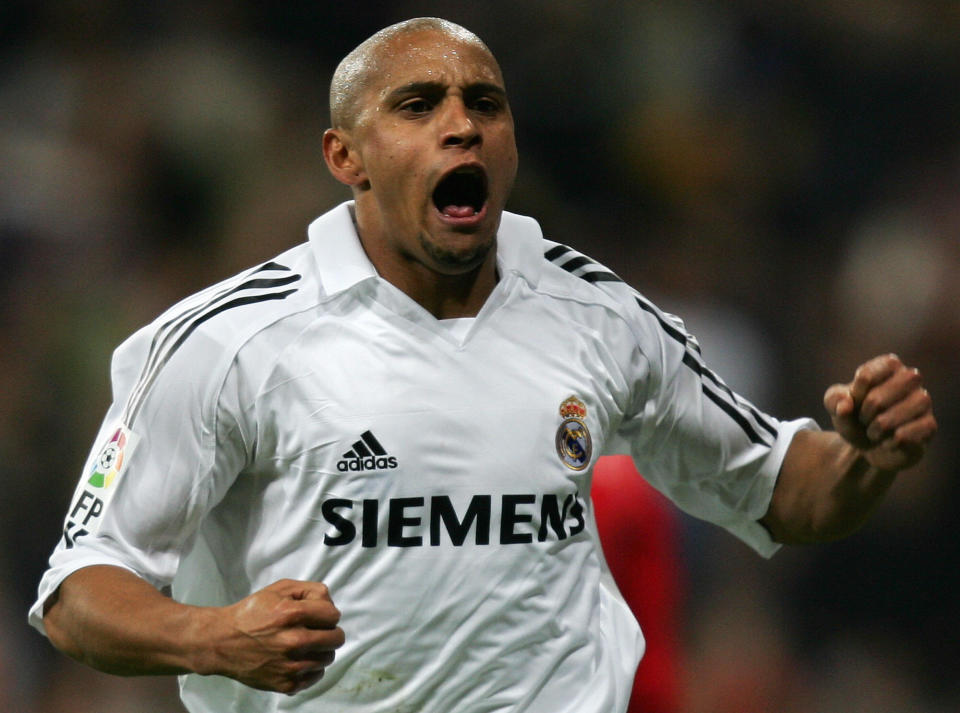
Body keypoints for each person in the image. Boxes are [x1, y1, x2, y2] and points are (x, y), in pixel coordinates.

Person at [29, 17, 937, 713]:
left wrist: (866, 456)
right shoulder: (228, 341)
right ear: (345, 157)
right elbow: (79, 594)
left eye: (485, 104)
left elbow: (784, 491)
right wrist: (215, 635)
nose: (460, 125)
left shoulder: (598, 314)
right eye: (418, 105)